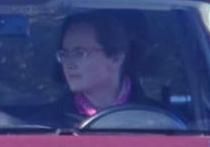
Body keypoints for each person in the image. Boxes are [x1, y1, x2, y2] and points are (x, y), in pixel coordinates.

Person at [25, 9, 157, 127]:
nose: (69, 63)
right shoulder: (44, 126)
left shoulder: (164, 122)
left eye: (79, 53)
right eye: (64, 54)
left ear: (115, 58)